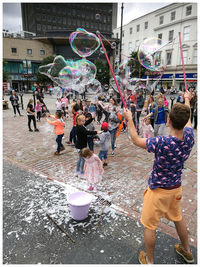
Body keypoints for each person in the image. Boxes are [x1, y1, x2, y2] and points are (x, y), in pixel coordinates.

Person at [123, 90, 194, 264]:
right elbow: (188, 117)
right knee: (178, 218)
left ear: (168, 121)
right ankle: (187, 251)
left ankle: (150, 260)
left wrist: (130, 119)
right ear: (184, 122)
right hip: (175, 188)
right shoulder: (190, 135)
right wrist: (187, 99)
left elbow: (135, 140)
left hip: (158, 192)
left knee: (150, 226)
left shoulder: (162, 142)